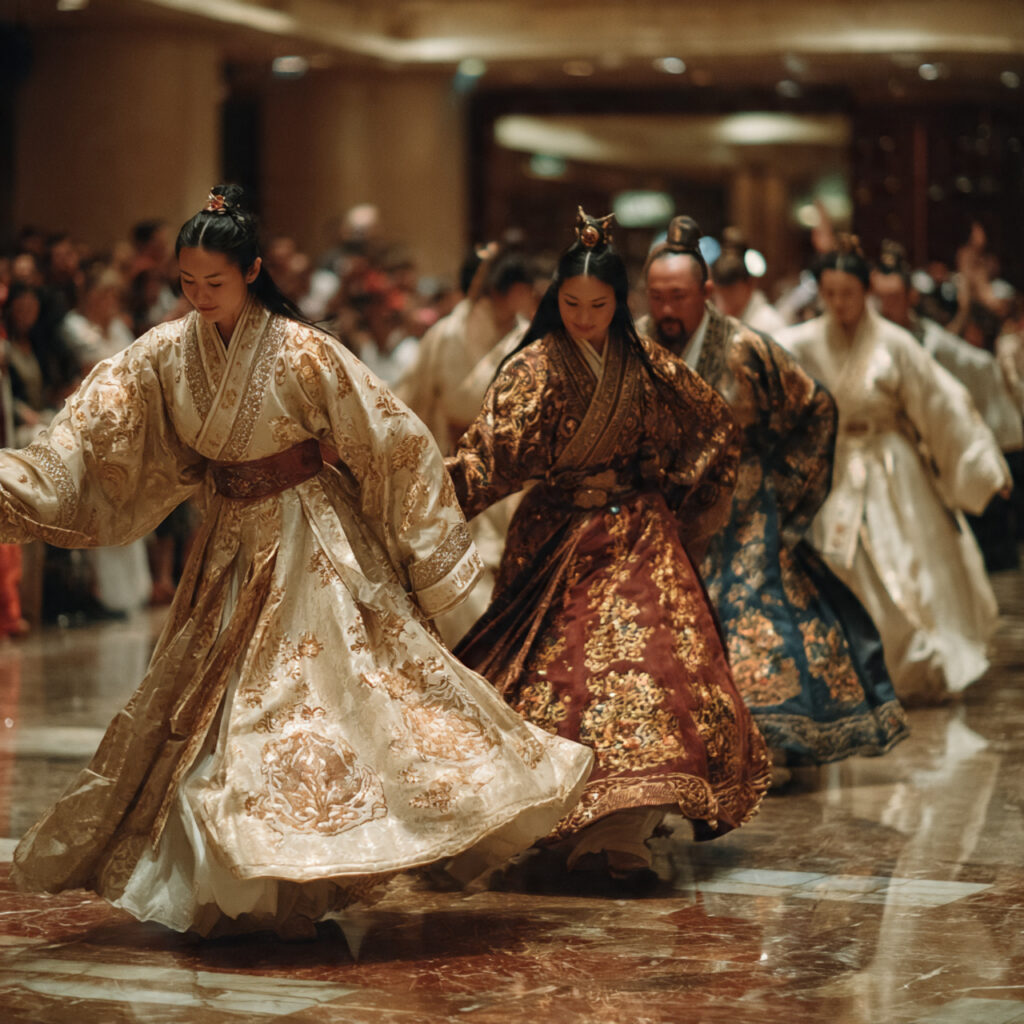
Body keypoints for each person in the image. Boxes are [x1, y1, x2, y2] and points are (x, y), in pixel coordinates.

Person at [6, 185, 592, 939]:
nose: (198, 298)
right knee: (215, 719)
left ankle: (290, 880)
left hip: (310, 543)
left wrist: (427, 560)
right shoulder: (163, 354)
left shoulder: (305, 350)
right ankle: (237, 878)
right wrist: (24, 479)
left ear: (251, 272)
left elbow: (393, 442)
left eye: (213, 284)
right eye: (185, 284)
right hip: (224, 548)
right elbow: (87, 433)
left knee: (298, 705)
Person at [446, 208, 770, 884]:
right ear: (553, 300)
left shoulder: (647, 364)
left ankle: (621, 832)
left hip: (639, 535)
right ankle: (561, 817)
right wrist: (413, 497)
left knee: (649, 675)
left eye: (599, 305)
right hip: (557, 537)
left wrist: (683, 507)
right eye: (571, 304)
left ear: (620, 304)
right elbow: (487, 457)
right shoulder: (532, 366)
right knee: (555, 679)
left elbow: (715, 430)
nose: (585, 318)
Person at [638, 216, 908, 773]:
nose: (667, 309)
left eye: (679, 297)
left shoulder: (747, 350)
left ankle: (768, 741)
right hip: (664, 515)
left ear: (706, 294)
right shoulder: (634, 349)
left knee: (754, 615)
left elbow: (815, 409)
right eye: (657, 296)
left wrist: (786, 497)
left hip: (744, 511)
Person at [776, 236, 1011, 704]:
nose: (840, 304)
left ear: (866, 292)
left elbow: (942, 406)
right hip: (830, 469)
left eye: (849, 293)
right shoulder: (796, 344)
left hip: (892, 469)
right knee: (835, 570)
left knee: (907, 568)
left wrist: (982, 464)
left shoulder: (896, 344)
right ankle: (843, 673)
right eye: (831, 294)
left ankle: (907, 666)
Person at [872, 239, 1022, 571]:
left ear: (910, 296)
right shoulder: (867, 341)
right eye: (881, 298)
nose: (887, 305)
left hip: (930, 457)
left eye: (893, 297)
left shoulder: (933, 344)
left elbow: (975, 376)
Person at [710, 227, 788, 336]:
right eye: (720, 293)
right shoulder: (715, 322)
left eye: (731, 292)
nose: (724, 300)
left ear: (750, 284)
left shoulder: (770, 323)